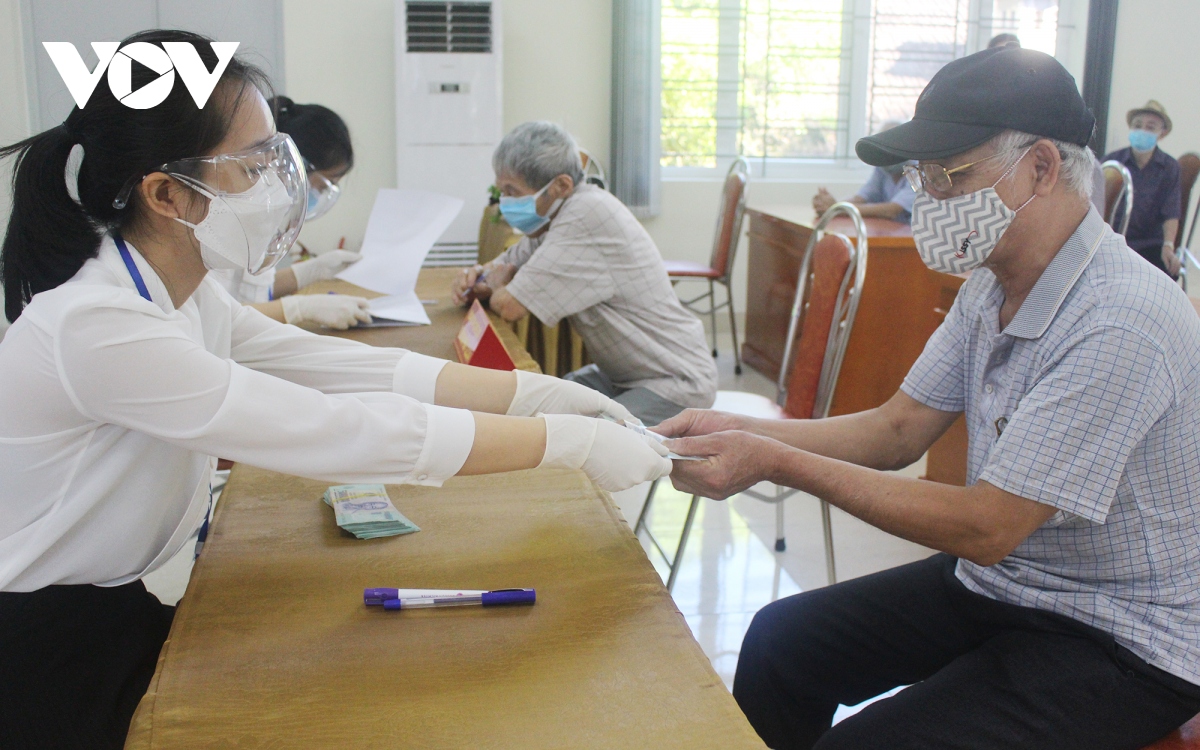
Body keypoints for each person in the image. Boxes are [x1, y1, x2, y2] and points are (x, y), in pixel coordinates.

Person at [0, 31, 671, 750]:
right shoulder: (99, 324)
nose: (277, 188)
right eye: (253, 166)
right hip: (46, 643)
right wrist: (566, 444)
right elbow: (335, 429)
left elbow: (342, 368)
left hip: (111, 603)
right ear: (166, 194)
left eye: (274, 158)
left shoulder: (181, 293)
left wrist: (530, 397)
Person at [659, 47, 1200, 749]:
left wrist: (772, 460)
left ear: (1040, 167)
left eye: (952, 176)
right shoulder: (992, 280)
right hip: (1010, 583)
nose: (931, 200)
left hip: (1122, 634)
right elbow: (898, 429)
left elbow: (988, 525)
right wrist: (731, 426)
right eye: (924, 179)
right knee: (781, 642)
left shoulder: (1122, 319)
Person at [450, 122, 718, 426]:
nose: (505, 202)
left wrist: (495, 286)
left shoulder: (586, 215)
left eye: (513, 192)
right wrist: (474, 277)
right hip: (622, 374)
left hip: (673, 380)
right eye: (502, 190)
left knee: (572, 437)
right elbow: (500, 268)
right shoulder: (551, 217)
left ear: (561, 186)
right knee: (537, 406)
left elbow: (509, 305)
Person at [209, 96, 370, 330]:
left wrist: (311, 271)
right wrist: (299, 308)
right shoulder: (221, 220)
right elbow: (216, 318)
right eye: (323, 187)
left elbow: (252, 290)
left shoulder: (262, 219)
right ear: (293, 167)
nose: (319, 195)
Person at [1103, 100, 1184, 277]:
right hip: (1113, 241)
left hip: (1150, 246)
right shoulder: (1112, 163)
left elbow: (1171, 213)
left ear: (1161, 133)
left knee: (1167, 272)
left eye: (1150, 127)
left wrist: (1168, 246)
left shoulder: (1170, 167)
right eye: (1137, 125)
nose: (1142, 131)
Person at [812, 121, 915, 224]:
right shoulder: (882, 167)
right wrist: (832, 206)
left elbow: (892, 210)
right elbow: (861, 198)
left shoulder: (918, 170)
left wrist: (838, 210)